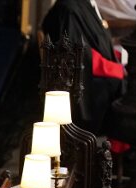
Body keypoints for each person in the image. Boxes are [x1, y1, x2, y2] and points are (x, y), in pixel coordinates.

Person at [41, 0, 125, 137]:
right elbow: (78, 55)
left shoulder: (85, 4)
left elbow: (96, 44)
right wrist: (114, 69)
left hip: (95, 72)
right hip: (83, 83)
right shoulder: (69, 10)